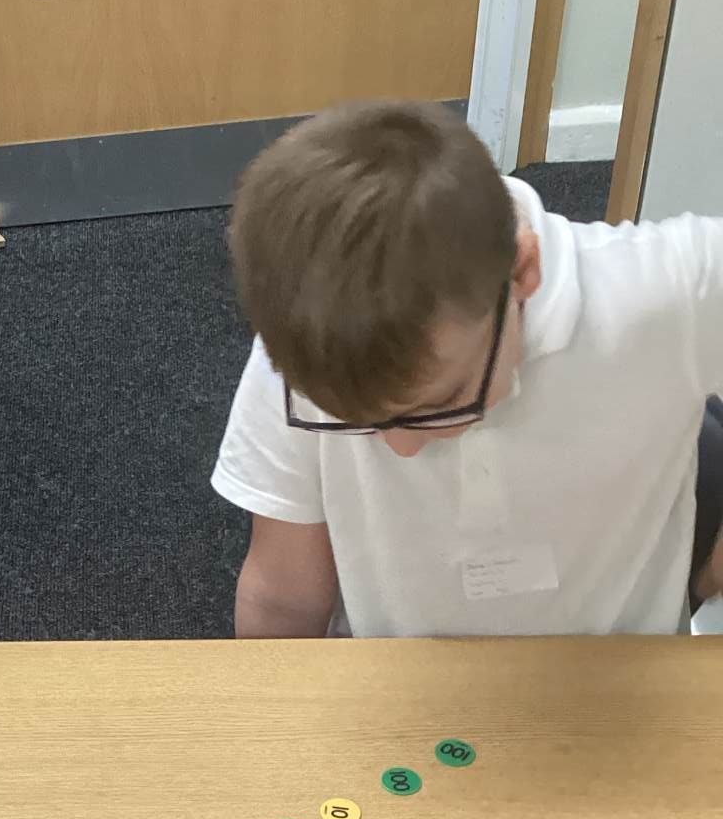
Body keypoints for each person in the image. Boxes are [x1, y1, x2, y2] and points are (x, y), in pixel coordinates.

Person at [212, 99, 723, 639]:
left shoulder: (657, 294)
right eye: (350, 419)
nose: (400, 449)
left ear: (522, 272)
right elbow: (283, 596)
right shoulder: (313, 342)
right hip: (395, 673)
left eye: (440, 402)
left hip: (621, 670)